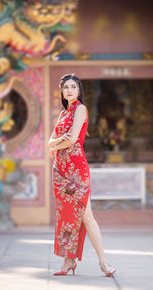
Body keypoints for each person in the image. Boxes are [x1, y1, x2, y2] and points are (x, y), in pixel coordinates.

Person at [48, 74, 116, 277]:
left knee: (87, 216)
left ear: (79, 91)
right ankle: (68, 261)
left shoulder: (81, 109)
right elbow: (50, 142)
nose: (69, 90)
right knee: (65, 215)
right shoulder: (62, 114)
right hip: (60, 171)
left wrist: (56, 143)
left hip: (77, 170)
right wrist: (58, 142)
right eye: (66, 87)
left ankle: (103, 263)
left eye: (73, 87)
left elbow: (72, 139)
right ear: (62, 91)